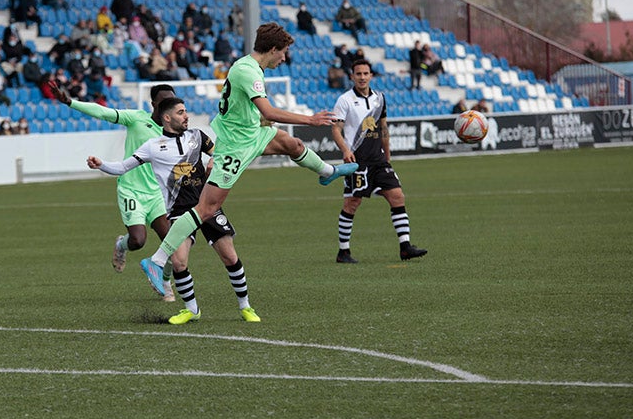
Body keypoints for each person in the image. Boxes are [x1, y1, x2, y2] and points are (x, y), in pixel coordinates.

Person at [140, 22, 358, 289]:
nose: (284, 58)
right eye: (284, 52)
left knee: (292, 144)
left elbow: (245, 110)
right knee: (206, 208)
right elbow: (268, 111)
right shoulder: (248, 71)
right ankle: (158, 260)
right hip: (235, 148)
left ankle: (328, 173)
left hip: (252, 134)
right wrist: (310, 119)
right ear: (274, 48)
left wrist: (258, 122)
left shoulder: (250, 67)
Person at [89, 97, 259, 322]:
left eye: (186, 111)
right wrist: (101, 165)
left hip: (207, 205)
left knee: (229, 256)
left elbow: (220, 153)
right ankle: (191, 310)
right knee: (179, 262)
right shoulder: (153, 146)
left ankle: (245, 307)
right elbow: (123, 167)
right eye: (180, 112)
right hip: (179, 211)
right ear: (167, 118)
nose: (186, 115)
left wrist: (213, 161)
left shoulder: (197, 136)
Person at [48, 79, 176, 297]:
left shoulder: (174, 130)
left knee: (174, 243)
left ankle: (165, 283)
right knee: (138, 241)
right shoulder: (137, 118)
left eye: (172, 102)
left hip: (157, 194)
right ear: (154, 104)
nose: (169, 106)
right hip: (132, 189)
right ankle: (121, 245)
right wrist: (70, 102)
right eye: (165, 102)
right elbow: (103, 113)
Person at [329, 57, 427, 264]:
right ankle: (343, 252)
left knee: (397, 196)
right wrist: (345, 150)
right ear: (352, 76)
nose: (362, 77)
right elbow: (335, 130)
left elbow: (383, 128)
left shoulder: (380, 98)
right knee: (352, 203)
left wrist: (388, 156)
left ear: (371, 75)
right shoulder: (344, 100)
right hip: (357, 161)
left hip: (379, 161)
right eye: (358, 74)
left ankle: (405, 247)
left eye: (366, 73)